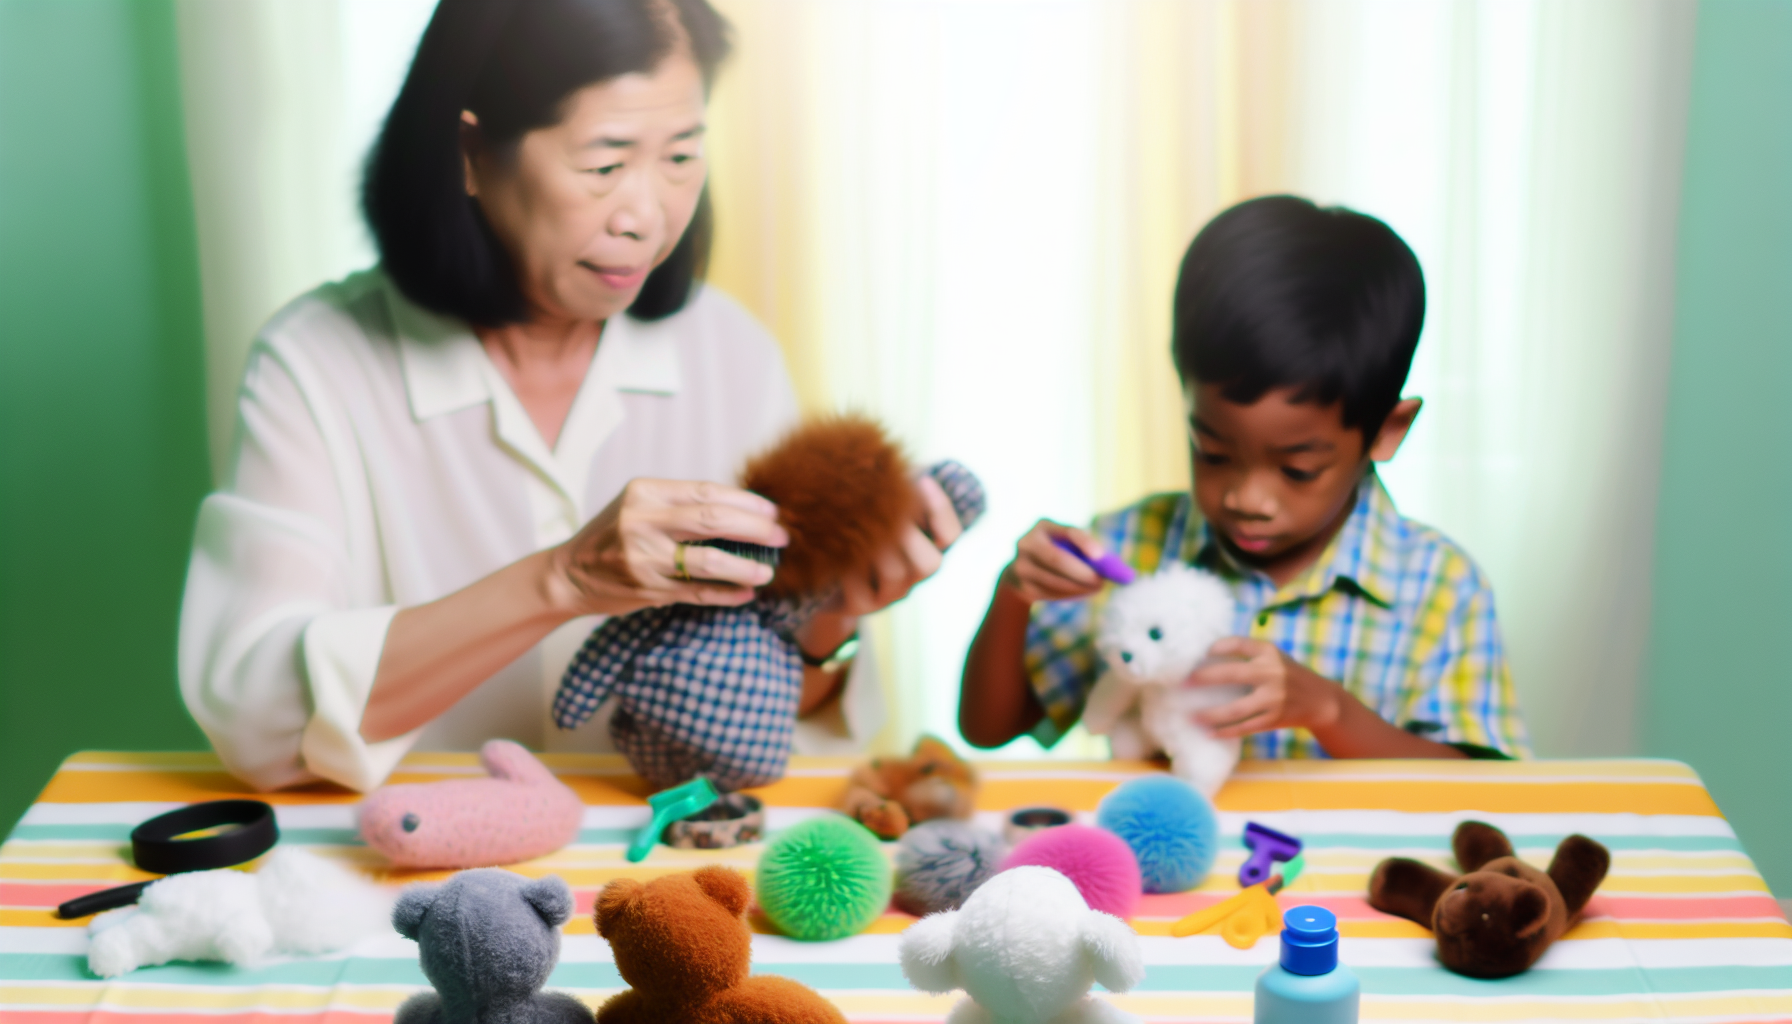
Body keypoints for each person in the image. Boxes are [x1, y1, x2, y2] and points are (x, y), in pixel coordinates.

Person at [180, 0, 963, 794]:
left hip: (657, 877)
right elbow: (257, 718)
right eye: (604, 163)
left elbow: (771, 715)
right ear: (472, 153)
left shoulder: (729, 351)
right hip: (415, 874)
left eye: (681, 157)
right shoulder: (317, 361)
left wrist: (833, 612)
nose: (648, 218)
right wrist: (562, 581)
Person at [959, 195, 1529, 760]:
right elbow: (989, 729)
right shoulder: (1124, 544)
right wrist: (1014, 595)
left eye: (1298, 469)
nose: (1245, 498)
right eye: (1211, 451)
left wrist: (1332, 712)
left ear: (1387, 429)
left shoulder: (1441, 587)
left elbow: (1481, 791)